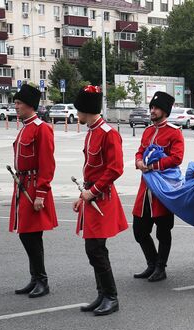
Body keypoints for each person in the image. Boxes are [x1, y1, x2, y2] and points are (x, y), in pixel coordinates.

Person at [72, 86, 129, 316]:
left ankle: (111, 296)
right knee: (93, 250)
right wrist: (82, 195)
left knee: (96, 249)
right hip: (91, 197)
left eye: (79, 111)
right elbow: (90, 170)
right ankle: (102, 294)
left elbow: (115, 169)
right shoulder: (92, 131)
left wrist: (92, 191)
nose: (77, 115)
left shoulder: (108, 133)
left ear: (87, 110)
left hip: (101, 199)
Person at [10, 84, 58, 298]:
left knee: (32, 236)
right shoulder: (25, 126)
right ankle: (34, 277)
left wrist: (41, 193)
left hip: (33, 185)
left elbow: (47, 164)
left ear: (30, 105)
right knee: (25, 234)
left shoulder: (42, 128)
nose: (16, 106)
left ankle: (42, 280)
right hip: (22, 184)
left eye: (19, 103)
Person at [132, 91, 185, 282]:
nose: (152, 111)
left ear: (165, 110)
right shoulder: (147, 131)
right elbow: (140, 152)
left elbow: (177, 158)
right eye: (151, 108)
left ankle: (161, 267)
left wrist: (153, 166)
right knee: (139, 231)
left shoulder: (174, 132)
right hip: (145, 189)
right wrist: (138, 162)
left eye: (155, 108)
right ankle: (152, 263)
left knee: (163, 231)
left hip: (163, 189)